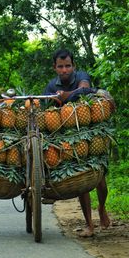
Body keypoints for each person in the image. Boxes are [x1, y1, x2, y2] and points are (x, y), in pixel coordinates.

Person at [44, 48, 111, 237]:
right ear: (55, 68)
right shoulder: (50, 86)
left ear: (73, 66)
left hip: (90, 132)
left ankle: (102, 208)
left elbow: (84, 90)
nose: (64, 70)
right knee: (83, 183)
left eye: (67, 66)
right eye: (60, 67)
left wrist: (67, 96)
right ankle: (89, 225)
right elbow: (43, 107)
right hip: (68, 138)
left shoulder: (81, 75)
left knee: (101, 183)